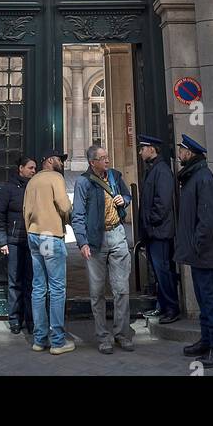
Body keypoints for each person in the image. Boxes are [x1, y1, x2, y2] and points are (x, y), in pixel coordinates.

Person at [71, 143, 134, 354]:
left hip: (117, 235)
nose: (107, 160)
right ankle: (103, 337)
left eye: (107, 157)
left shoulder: (115, 176)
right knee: (97, 292)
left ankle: (122, 334)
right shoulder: (83, 183)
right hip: (95, 240)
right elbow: (77, 215)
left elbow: (128, 196)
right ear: (92, 162)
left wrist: (123, 200)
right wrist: (82, 242)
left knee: (122, 290)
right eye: (103, 158)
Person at [175, 134, 213, 367]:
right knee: (203, 299)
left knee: (212, 300)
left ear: (190, 153)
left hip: (206, 253)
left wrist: (197, 244)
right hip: (200, 254)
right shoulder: (194, 176)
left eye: (181, 150)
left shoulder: (203, 178)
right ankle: (207, 340)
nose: (179, 154)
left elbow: (207, 219)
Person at [23, 151, 75, 354]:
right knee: (57, 288)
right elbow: (63, 205)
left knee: (38, 287)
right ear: (51, 161)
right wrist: (71, 214)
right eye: (61, 160)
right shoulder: (56, 177)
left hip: (35, 235)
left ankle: (39, 339)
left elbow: (26, 209)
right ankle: (58, 341)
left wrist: (31, 230)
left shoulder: (33, 180)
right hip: (50, 236)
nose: (63, 163)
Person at [137, 135, 181, 324]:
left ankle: (171, 308)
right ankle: (162, 306)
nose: (139, 152)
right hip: (155, 231)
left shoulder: (161, 170)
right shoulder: (154, 169)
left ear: (152, 149)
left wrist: (151, 222)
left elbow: (162, 203)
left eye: (142, 148)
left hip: (160, 231)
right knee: (158, 270)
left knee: (163, 270)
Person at [0, 155, 37, 335]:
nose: (34, 171)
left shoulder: (36, 188)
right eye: (30, 168)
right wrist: (2, 241)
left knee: (32, 282)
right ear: (20, 168)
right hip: (13, 242)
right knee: (15, 282)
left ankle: (32, 320)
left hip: (33, 241)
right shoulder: (9, 189)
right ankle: (14, 319)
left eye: (35, 168)